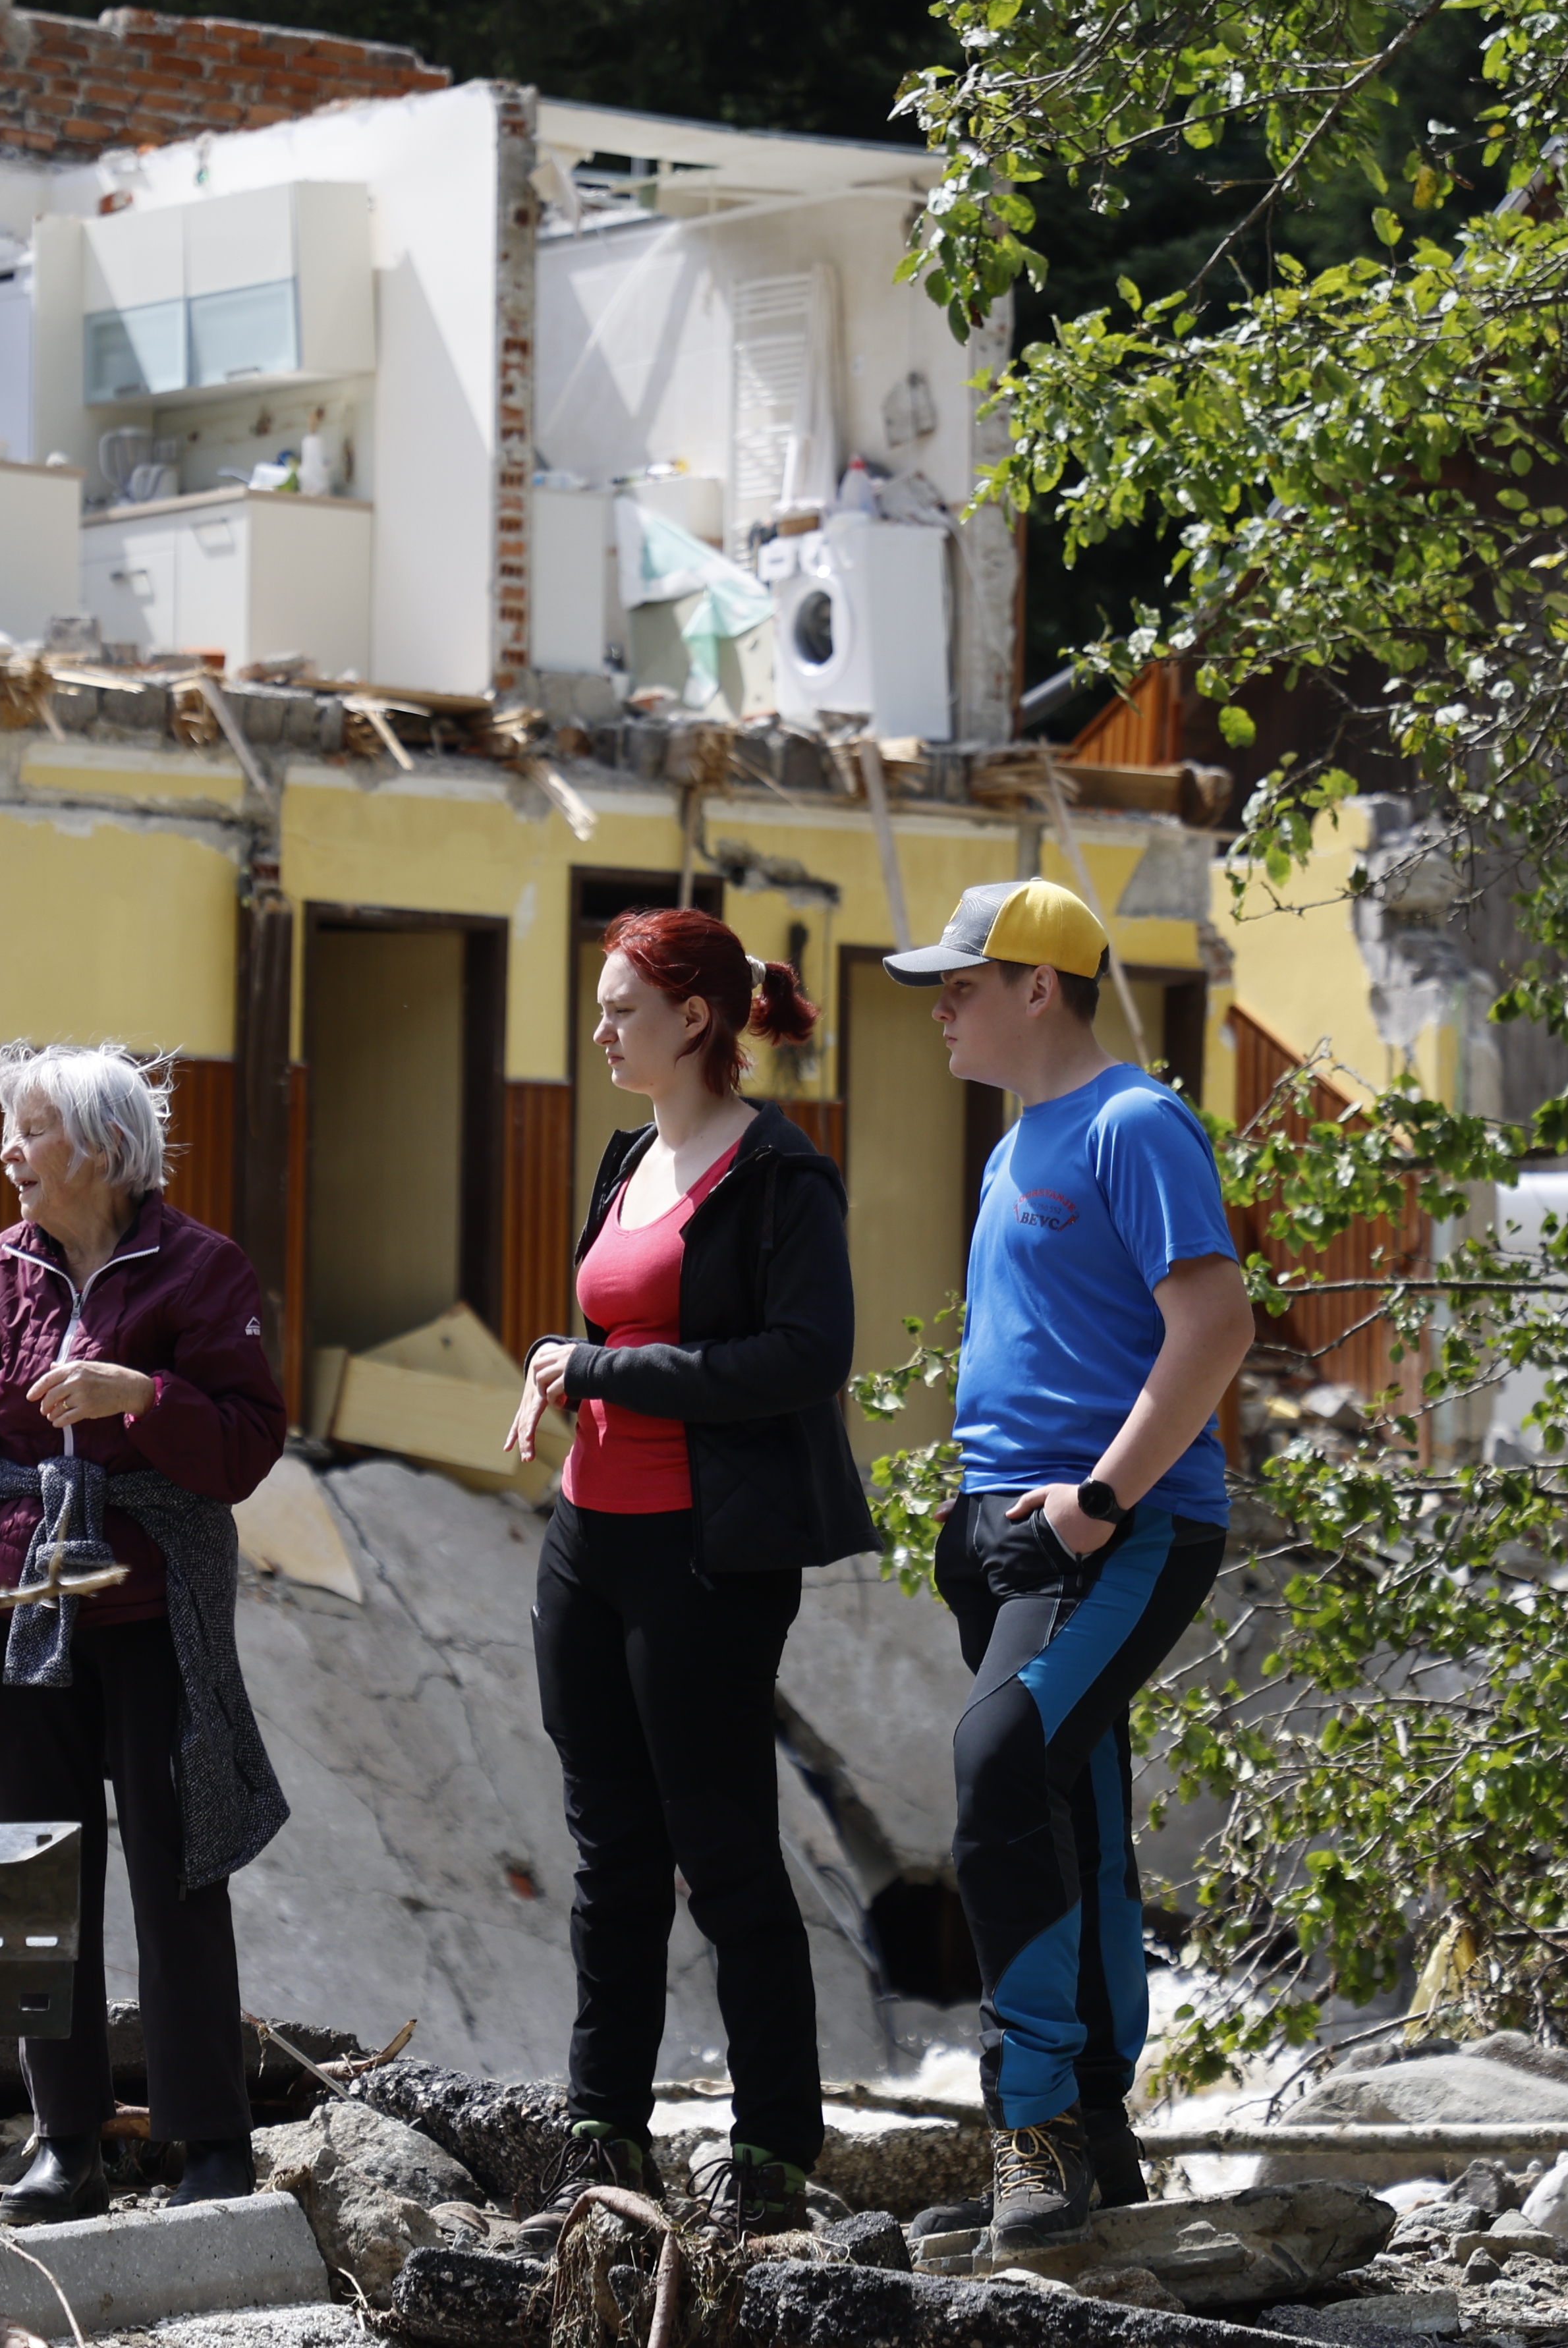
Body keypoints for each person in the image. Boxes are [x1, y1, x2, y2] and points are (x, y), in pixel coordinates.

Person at [499, 905, 882, 2244]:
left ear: (698, 1019)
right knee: (610, 1857)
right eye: (603, 1006)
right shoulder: (630, 1154)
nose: (602, 1029)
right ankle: (603, 2132)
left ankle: (771, 2145)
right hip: (587, 1544)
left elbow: (804, 1357)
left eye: (624, 1008)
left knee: (721, 1856)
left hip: (706, 1558)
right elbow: (617, 1322)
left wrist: (602, 1367)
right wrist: (561, 1364)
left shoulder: (782, 1174)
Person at [881, 880, 1254, 2248]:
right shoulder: (1016, 1142)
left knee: (1000, 1766)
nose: (940, 1008)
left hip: (1120, 1527)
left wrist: (1098, 1500)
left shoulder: (1132, 1122)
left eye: (961, 984)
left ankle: (1029, 2132)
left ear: (1039, 985)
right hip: (1008, 1534)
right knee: (1071, 1802)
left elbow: (1216, 1322)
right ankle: (1096, 2133)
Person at [0, 1042, 289, 2222]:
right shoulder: (2, 1268)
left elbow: (246, 1446)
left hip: (153, 1611)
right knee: (38, 1880)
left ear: (105, 1147)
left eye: (32, 1131)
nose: (8, 1153)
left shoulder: (202, 1269)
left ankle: (211, 2143)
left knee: (178, 1874)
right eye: (11, 1130)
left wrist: (144, 1398)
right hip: (24, 1615)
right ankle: (66, 2144)